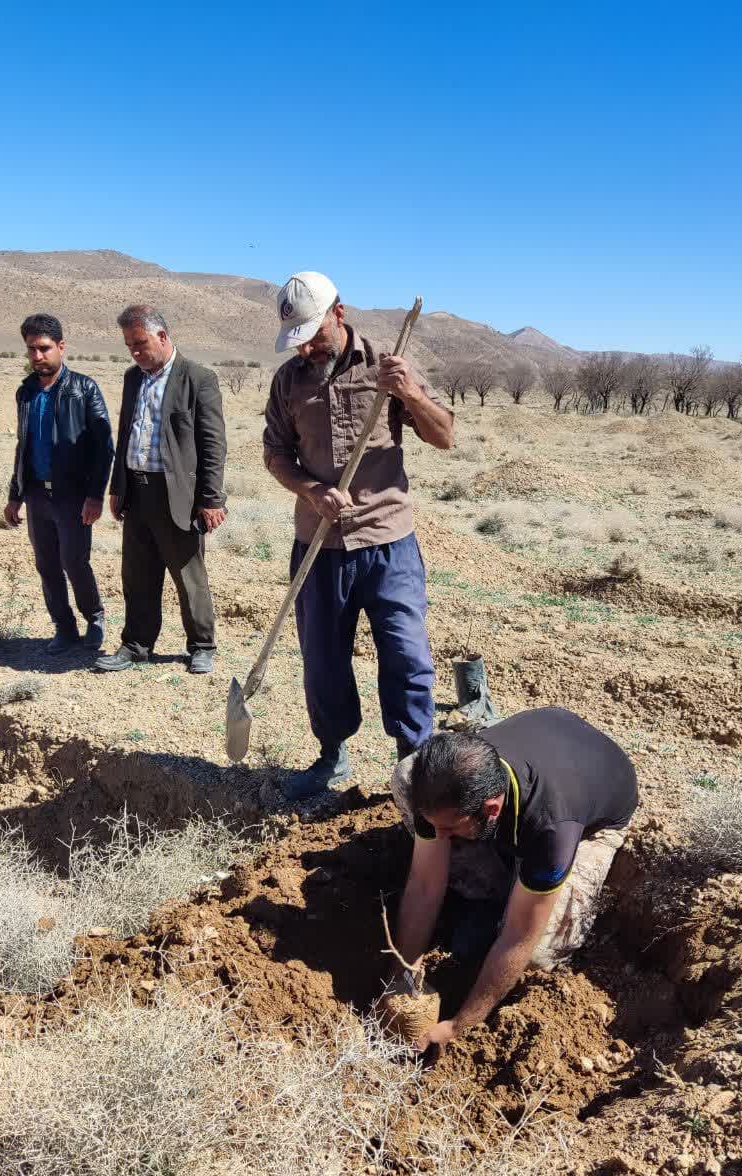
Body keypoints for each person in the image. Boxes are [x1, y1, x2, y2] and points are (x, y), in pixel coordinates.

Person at [263, 272, 453, 800]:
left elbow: (444, 435)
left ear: (338, 313)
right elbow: (275, 455)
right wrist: (311, 490)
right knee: (323, 661)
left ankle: (415, 767)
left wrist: (410, 393)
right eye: (296, 338)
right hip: (319, 545)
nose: (306, 346)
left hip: (389, 542)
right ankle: (331, 756)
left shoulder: (388, 367)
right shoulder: (288, 382)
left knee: (406, 656)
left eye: (313, 333)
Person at [389, 707, 638, 1055]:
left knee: (538, 953)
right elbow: (424, 883)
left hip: (592, 822)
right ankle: (505, 884)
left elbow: (519, 938)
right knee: (406, 774)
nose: (438, 836)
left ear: (491, 809)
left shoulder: (553, 828)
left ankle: (521, 887)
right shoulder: (456, 779)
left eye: (449, 829)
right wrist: (403, 967)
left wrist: (459, 1025)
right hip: (548, 740)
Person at [96, 305, 227, 675]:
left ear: (163, 337)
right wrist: (117, 486)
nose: (135, 352)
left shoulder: (197, 378)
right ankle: (136, 645)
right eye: (129, 346)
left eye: (140, 343)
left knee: (189, 576)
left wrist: (212, 499)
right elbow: (126, 435)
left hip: (178, 494)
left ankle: (201, 646)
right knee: (137, 574)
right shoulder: (132, 378)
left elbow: (213, 443)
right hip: (137, 491)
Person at [4, 314, 114, 653]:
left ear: (61, 347)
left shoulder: (84, 389)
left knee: (74, 562)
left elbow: (103, 447)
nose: (37, 356)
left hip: (73, 496)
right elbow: (23, 445)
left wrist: (95, 495)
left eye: (44, 348)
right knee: (47, 565)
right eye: (31, 350)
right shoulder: (25, 392)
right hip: (37, 494)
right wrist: (15, 495)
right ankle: (63, 628)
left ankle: (94, 617)